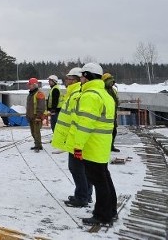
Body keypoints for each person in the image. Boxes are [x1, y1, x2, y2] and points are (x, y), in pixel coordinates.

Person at [71, 63, 117, 226]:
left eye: (82, 76)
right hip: (102, 145)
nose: (80, 79)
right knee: (105, 178)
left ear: (88, 76)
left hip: (92, 144)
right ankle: (111, 210)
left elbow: (85, 124)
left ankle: (102, 215)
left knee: (99, 181)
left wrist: (77, 146)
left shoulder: (90, 95)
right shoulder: (105, 94)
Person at [52, 67, 93, 207]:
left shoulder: (76, 94)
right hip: (74, 137)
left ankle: (82, 197)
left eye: (68, 79)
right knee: (82, 168)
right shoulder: (73, 93)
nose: (66, 81)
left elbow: (78, 119)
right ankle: (86, 195)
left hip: (76, 138)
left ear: (75, 80)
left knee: (76, 168)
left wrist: (75, 139)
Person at [25, 77, 46, 151]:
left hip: (36, 117)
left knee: (36, 132)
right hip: (31, 116)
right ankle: (37, 144)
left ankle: (38, 145)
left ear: (34, 85)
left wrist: (38, 116)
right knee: (33, 132)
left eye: (30, 85)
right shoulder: (31, 94)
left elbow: (41, 106)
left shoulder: (39, 94)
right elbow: (29, 106)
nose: (28, 86)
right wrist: (27, 115)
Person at [103, 73, 120, 152]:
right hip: (106, 115)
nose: (111, 82)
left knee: (114, 131)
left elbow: (116, 100)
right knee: (106, 132)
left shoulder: (113, 90)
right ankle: (105, 146)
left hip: (113, 114)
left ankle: (111, 146)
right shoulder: (103, 90)